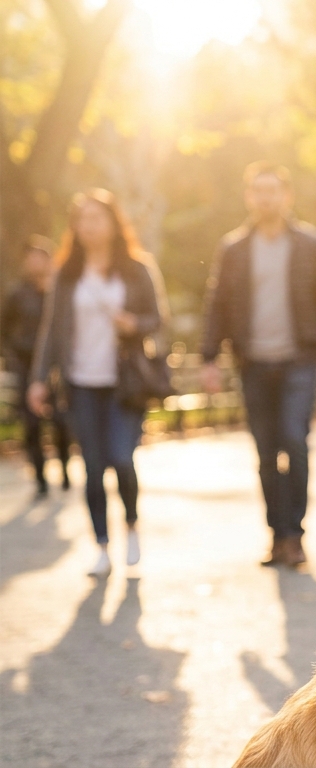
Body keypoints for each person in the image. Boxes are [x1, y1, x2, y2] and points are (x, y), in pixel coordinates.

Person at [200, 162, 316, 568]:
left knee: (294, 442)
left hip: (299, 359)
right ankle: (276, 535)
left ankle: (295, 535)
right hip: (253, 361)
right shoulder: (234, 249)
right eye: (258, 191)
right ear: (249, 197)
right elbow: (218, 304)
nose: (266, 199)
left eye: (273, 191)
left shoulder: (311, 245)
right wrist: (209, 357)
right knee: (266, 453)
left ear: (287, 197)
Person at [28, 189, 169, 577]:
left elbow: (157, 318)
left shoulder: (137, 268)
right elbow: (51, 332)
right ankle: (103, 547)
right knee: (92, 467)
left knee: (122, 459)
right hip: (80, 383)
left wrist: (133, 324)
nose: (89, 225)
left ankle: (132, 526)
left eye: (97, 217)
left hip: (124, 383)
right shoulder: (66, 275)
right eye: (82, 219)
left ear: (112, 222)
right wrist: (40, 379)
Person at [2, 236, 71, 496]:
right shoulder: (18, 293)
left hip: (55, 368)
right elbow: (5, 329)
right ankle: (40, 479)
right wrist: (11, 358)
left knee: (61, 422)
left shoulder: (59, 290)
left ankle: (65, 472)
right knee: (31, 424)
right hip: (24, 365)